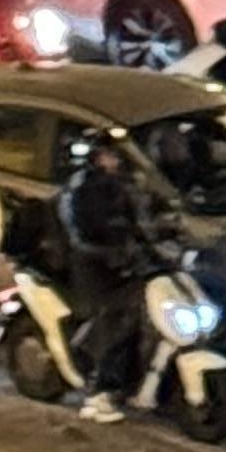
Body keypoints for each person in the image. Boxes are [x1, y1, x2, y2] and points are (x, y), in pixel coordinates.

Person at [53, 126, 155, 420]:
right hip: (94, 269)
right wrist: (112, 251)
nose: (117, 160)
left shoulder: (121, 184)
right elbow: (81, 234)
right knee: (117, 319)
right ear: (97, 157)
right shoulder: (82, 189)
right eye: (111, 155)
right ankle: (99, 392)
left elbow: (138, 222)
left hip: (121, 264)